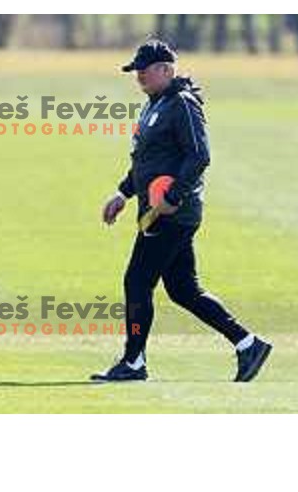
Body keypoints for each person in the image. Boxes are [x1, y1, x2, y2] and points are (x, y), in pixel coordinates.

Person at [91, 40, 272, 383]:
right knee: (183, 289)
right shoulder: (154, 105)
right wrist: (123, 193)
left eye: (145, 70)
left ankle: (132, 362)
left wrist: (173, 196)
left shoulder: (182, 104)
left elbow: (199, 155)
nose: (139, 76)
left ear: (166, 69)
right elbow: (147, 162)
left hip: (172, 213)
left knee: (137, 281)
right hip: (156, 211)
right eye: (136, 71)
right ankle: (248, 344)